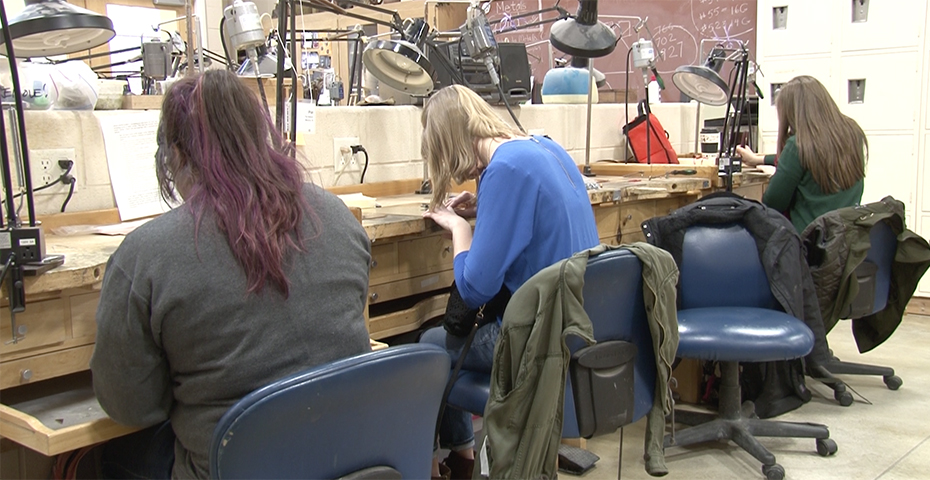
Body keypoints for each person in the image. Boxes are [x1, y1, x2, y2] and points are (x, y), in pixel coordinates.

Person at [90, 69, 372, 479]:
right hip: (347, 461)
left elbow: (130, 407)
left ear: (177, 156)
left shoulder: (146, 255)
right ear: (259, 135)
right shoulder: (338, 217)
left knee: (117, 453)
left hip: (235, 468)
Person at [417, 85, 599, 479]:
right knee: (446, 337)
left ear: (450, 142)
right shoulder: (544, 147)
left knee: (429, 346)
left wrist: (460, 228)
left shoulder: (503, 170)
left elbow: (475, 289)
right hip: (579, 322)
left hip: (539, 338)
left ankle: (438, 464)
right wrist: (487, 206)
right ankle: (463, 456)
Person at [736, 75, 868, 233]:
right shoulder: (853, 133)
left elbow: (773, 203)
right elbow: (814, 158)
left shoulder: (798, 145)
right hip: (845, 239)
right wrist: (757, 159)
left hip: (809, 241)